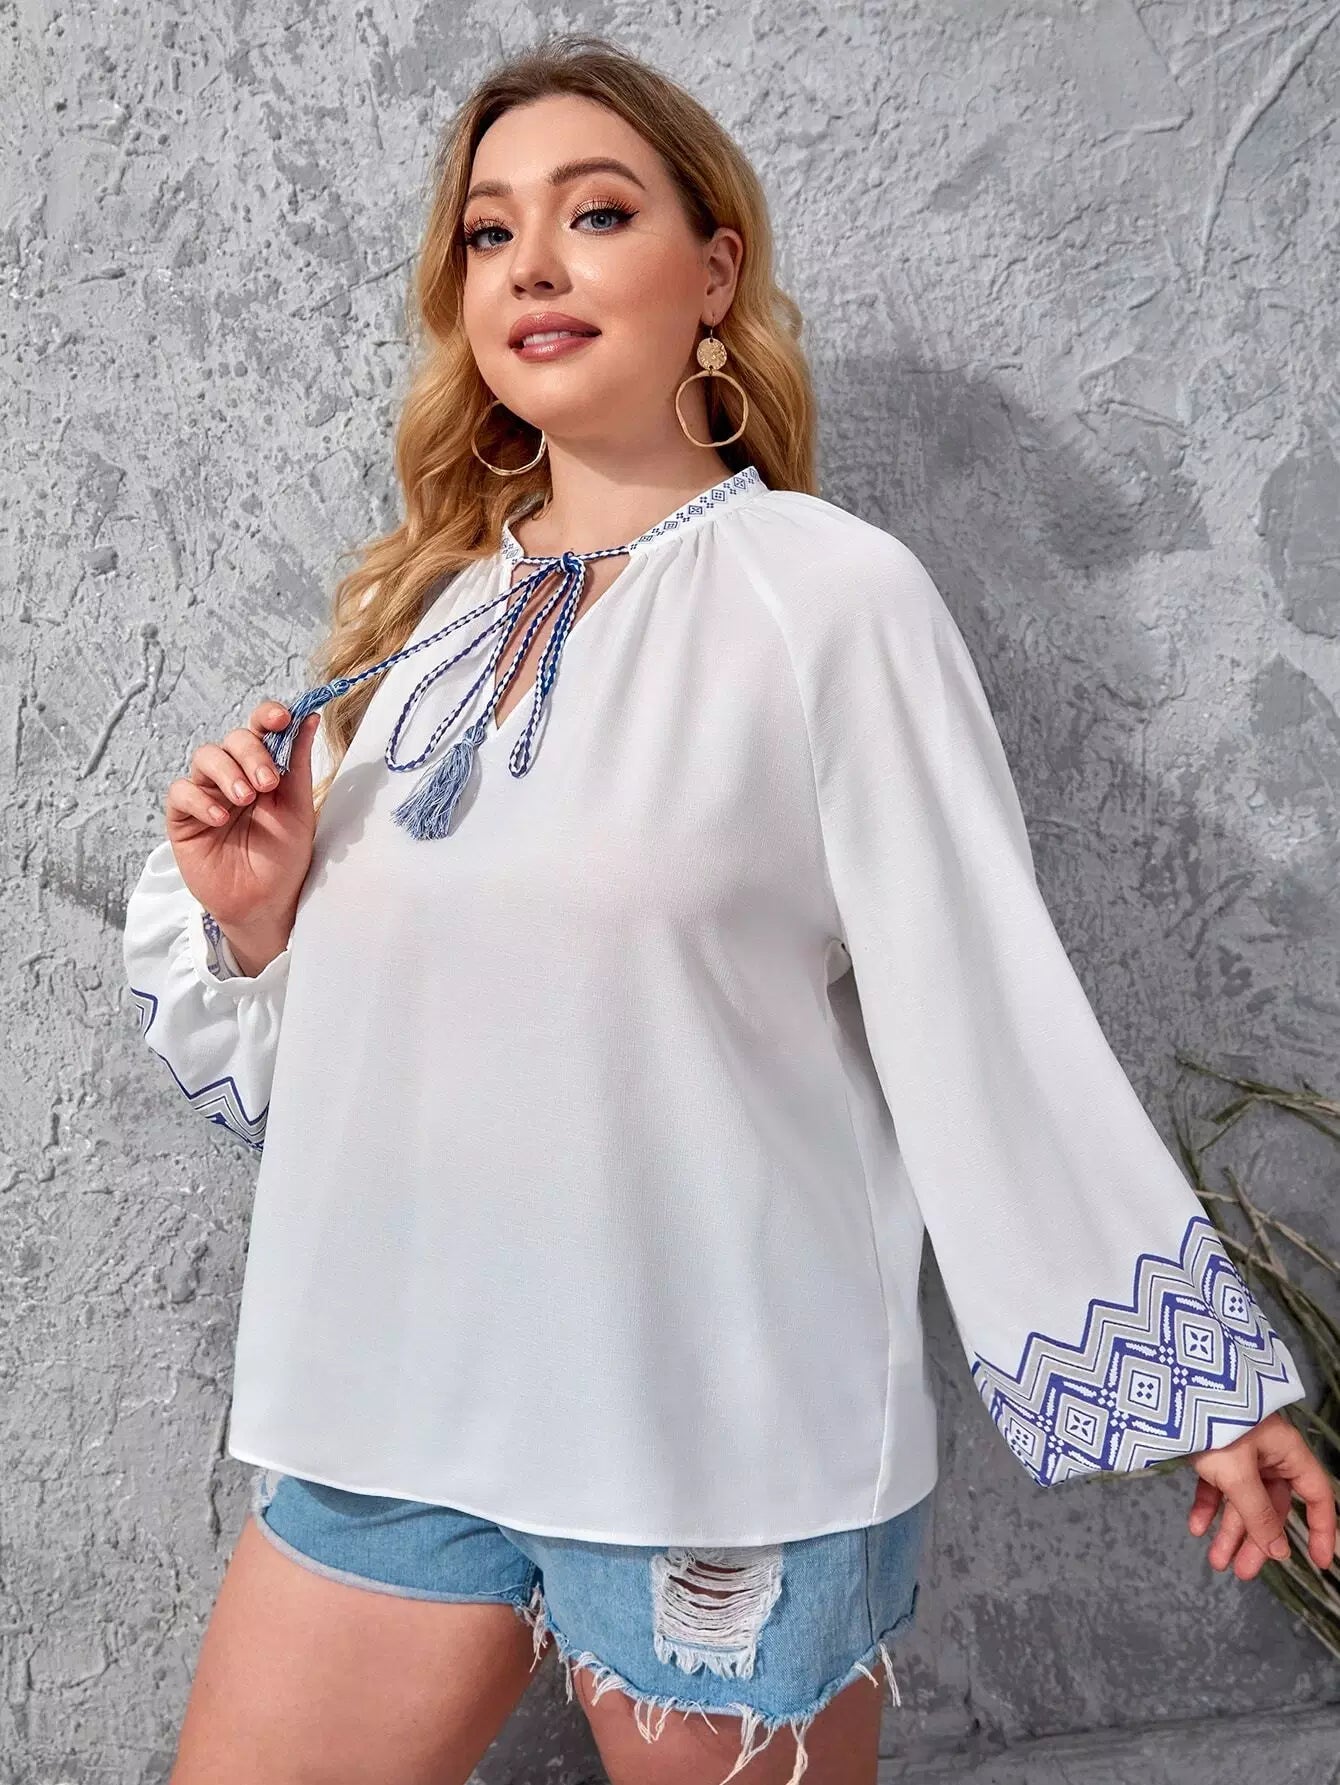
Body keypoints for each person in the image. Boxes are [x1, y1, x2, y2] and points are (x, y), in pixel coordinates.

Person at [121, 33, 1335, 1785]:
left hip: (711, 1440)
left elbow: (980, 1010)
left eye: (596, 213)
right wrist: (262, 920)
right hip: (392, 1409)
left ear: (714, 271)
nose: (532, 264)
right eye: (489, 232)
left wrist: (1200, 1390)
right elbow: (403, 1075)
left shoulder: (831, 601)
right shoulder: (437, 623)